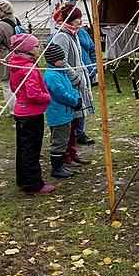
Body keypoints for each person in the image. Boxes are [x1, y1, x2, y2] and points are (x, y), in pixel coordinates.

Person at [7, 33, 54, 194]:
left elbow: (14, 88)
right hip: (31, 114)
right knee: (31, 150)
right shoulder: (28, 68)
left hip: (21, 111)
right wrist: (47, 97)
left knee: (22, 148)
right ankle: (33, 184)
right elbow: (34, 94)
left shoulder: (16, 65)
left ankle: (22, 180)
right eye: (35, 45)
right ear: (27, 49)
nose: (38, 47)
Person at [52, 3, 95, 168]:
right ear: (71, 19)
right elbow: (60, 61)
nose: (80, 21)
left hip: (78, 83)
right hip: (71, 84)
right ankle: (66, 156)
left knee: (76, 121)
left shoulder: (74, 34)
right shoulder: (62, 36)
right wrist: (75, 77)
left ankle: (72, 153)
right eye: (78, 18)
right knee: (70, 123)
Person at [43, 43, 81, 179]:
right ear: (54, 60)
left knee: (63, 139)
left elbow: (70, 88)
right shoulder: (52, 75)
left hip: (65, 113)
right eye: (61, 59)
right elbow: (60, 93)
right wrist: (73, 101)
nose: (63, 61)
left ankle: (61, 165)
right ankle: (56, 168)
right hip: (58, 114)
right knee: (59, 141)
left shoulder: (61, 71)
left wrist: (77, 97)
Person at [75, 24, 98, 145]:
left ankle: (80, 133)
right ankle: (74, 134)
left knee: (83, 103)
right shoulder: (60, 35)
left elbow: (92, 49)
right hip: (74, 75)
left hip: (87, 72)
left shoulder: (82, 32)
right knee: (76, 103)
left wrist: (93, 67)